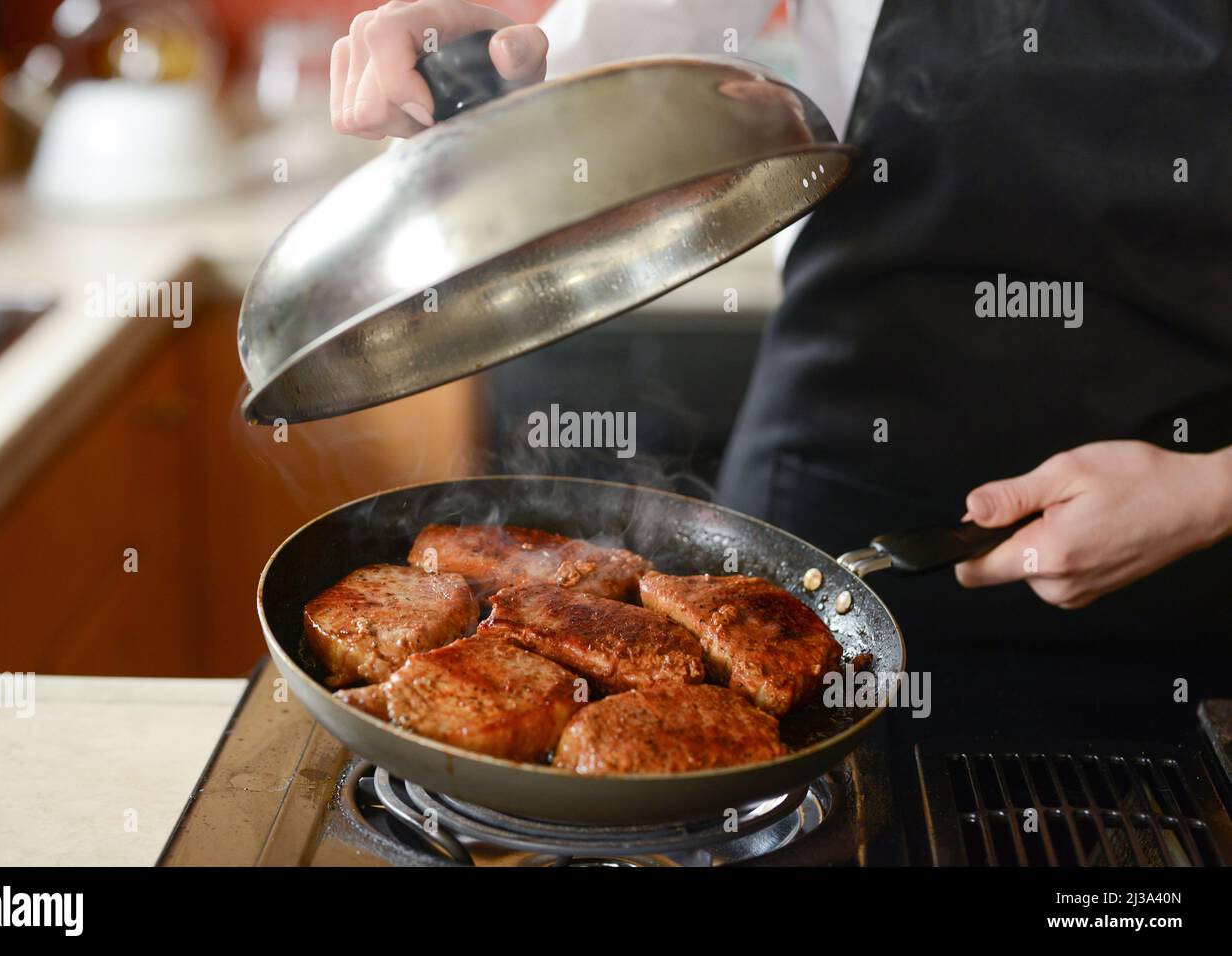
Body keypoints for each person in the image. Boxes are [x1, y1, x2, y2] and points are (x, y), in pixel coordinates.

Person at [328, 0, 1232, 739]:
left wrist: (1211, 495)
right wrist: (495, 67)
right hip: (826, 504)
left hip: (1183, 546)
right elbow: (626, 59)